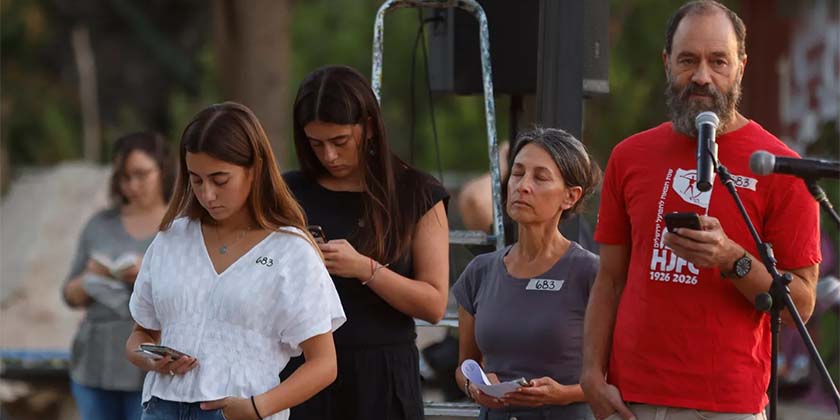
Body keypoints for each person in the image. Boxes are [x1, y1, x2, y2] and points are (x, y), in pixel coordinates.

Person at [580, 2, 822, 419]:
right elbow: (610, 278)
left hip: (727, 404)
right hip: (632, 400)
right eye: (688, 60)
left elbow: (800, 304)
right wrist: (590, 375)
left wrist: (731, 257)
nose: (702, 76)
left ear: (741, 67)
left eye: (718, 61)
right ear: (666, 63)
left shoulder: (778, 167)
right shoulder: (629, 156)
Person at [124, 102, 346, 420]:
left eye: (220, 179)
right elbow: (140, 335)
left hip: (239, 412)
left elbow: (325, 365)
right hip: (160, 407)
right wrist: (149, 359)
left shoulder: (291, 250)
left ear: (254, 169)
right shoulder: (171, 239)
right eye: (196, 180)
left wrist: (257, 409)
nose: (208, 194)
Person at [279, 65, 450, 420]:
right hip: (303, 370)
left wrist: (365, 269)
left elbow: (434, 303)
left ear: (369, 127)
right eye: (316, 144)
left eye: (340, 142)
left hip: (383, 373)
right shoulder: (289, 192)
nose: (329, 156)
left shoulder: (415, 192)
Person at [452, 127, 601, 420]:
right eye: (517, 173)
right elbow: (465, 365)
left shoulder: (591, 272)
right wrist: (474, 387)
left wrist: (563, 394)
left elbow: (618, 375)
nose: (523, 186)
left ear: (570, 197)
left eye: (540, 177)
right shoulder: (480, 271)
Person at [63, 131, 174, 420]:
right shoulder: (100, 224)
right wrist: (90, 277)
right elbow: (69, 294)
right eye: (124, 177)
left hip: (150, 364)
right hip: (94, 363)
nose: (132, 186)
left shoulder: (179, 226)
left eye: (140, 175)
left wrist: (146, 275)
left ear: (162, 169)